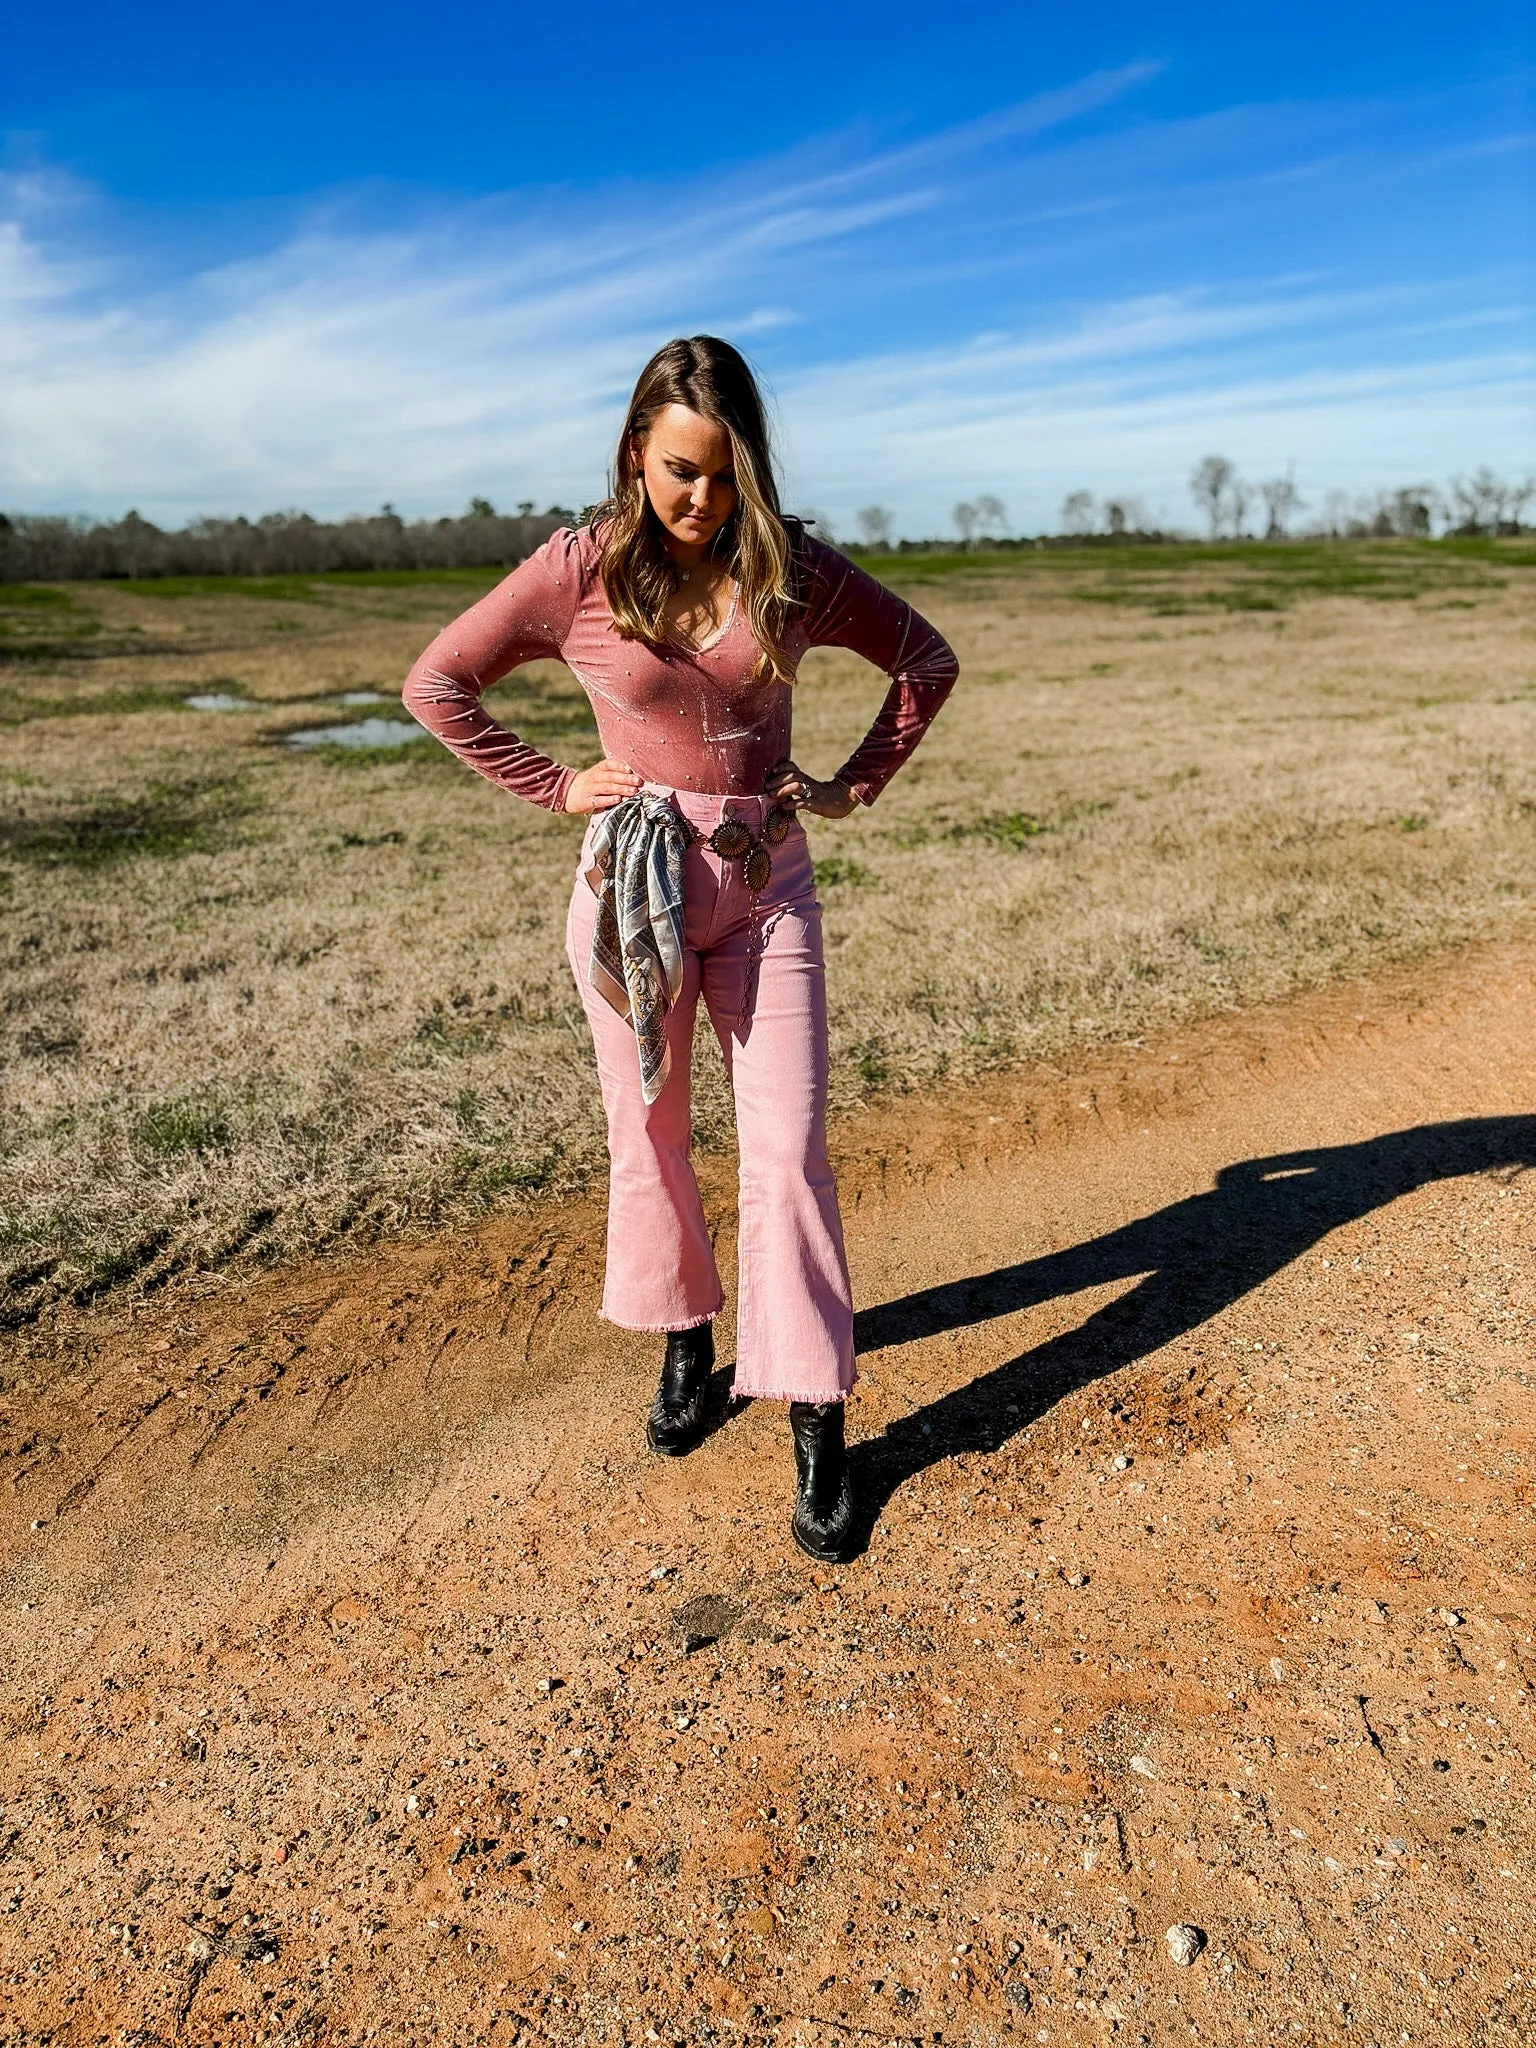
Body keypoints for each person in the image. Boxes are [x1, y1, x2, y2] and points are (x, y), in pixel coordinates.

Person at [403, 336, 957, 1561]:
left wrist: (856, 780)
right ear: (635, 454)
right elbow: (438, 684)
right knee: (647, 1133)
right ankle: (686, 1336)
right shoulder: (579, 570)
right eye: (675, 470)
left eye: (720, 473)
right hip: (631, 894)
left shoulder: (794, 568)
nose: (698, 497)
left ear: (749, 467)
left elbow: (927, 657)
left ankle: (816, 1416)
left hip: (768, 891)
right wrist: (555, 787)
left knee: (789, 1147)